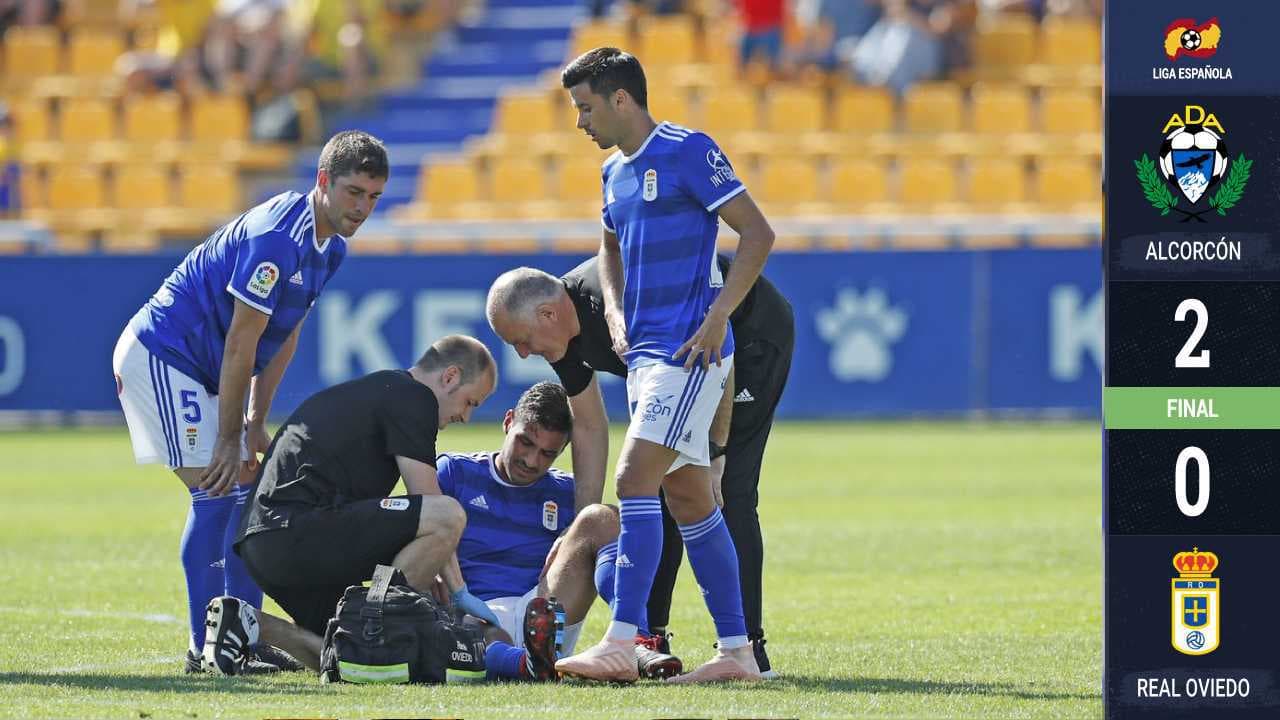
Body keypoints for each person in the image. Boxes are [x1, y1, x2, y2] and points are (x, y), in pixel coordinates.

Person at [110, 130, 388, 672]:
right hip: (163, 356)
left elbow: (284, 335)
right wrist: (229, 434)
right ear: (324, 181)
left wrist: (255, 421)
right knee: (220, 491)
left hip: (205, 369)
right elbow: (242, 342)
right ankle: (205, 648)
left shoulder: (329, 247)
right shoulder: (278, 240)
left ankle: (240, 635)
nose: (363, 208)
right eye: (354, 192)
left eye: (374, 197)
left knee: (246, 494)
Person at [548, 47, 777, 683]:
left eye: (586, 108)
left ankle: (623, 637)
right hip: (646, 355)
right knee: (690, 497)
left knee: (632, 480)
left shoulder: (686, 149)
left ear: (622, 99)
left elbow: (757, 233)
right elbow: (609, 247)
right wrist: (616, 316)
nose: (580, 122)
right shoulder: (612, 175)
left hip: (688, 352)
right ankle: (737, 652)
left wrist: (719, 315)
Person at [486, 253, 793, 679]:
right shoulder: (560, 333)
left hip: (745, 340)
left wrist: (716, 452)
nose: (522, 355)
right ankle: (649, 641)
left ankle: (749, 652)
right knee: (655, 487)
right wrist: (581, 525)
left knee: (727, 495)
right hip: (687, 364)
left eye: (520, 340)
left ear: (547, 312)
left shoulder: (627, 300)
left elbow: (720, 349)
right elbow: (590, 425)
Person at [201, 336, 498, 675]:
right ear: (450, 377)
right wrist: (459, 593)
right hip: (297, 530)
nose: (467, 416)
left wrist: (432, 560)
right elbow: (431, 502)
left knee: (350, 659)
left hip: (264, 544)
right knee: (448, 514)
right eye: (470, 402)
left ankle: (248, 623)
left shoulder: (379, 389)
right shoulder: (413, 396)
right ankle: (382, 626)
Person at [435, 382, 645, 681]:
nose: (532, 461)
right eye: (525, 442)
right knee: (480, 629)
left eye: (548, 453)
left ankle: (637, 638)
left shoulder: (566, 491)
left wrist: (572, 531)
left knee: (601, 517)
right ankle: (527, 664)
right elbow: (422, 537)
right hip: (472, 611)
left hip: (544, 612)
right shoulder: (455, 472)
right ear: (508, 422)